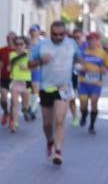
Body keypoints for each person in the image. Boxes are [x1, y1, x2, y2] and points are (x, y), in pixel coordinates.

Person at [29, 19, 82, 165]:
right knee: (47, 124)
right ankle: (50, 142)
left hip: (64, 87)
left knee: (59, 119)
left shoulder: (71, 44)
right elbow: (29, 64)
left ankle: (58, 151)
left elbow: (79, 58)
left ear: (65, 33)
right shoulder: (41, 45)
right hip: (46, 87)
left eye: (61, 34)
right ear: (50, 32)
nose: (58, 37)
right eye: (55, 34)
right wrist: (40, 60)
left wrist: (82, 66)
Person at [77, 30, 108, 134]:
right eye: (89, 40)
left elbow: (106, 65)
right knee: (83, 104)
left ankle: (92, 125)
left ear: (97, 41)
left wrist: (104, 69)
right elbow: (76, 65)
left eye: (93, 40)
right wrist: (80, 69)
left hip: (96, 83)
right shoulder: (82, 52)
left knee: (94, 103)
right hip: (83, 82)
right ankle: (84, 115)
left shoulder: (102, 53)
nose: (91, 42)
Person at [7, 35, 31, 134]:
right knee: (15, 104)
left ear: (25, 45)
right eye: (17, 44)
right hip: (15, 81)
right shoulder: (12, 54)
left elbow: (31, 67)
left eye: (21, 44)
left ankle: (25, 111)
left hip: (26, 81)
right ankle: (15, 123)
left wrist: (26, 67)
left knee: (25, 105)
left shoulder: (29, 54)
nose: (19, 46)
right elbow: (12, 62)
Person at [0, 31, 16, 127]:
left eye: (12, 39)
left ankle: (12, 118)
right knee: (3, 97)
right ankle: (5, 112)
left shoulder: (18, 51)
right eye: (8, 38)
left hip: (15, 78)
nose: (10, 40)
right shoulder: (2, 50)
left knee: (13, 99)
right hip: (4, 77)